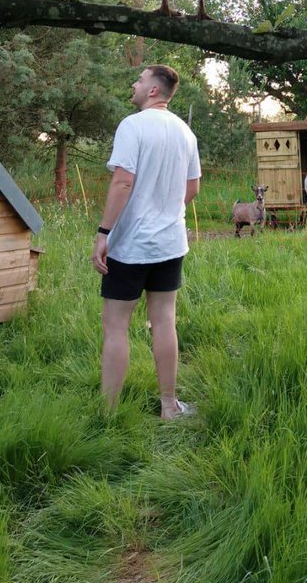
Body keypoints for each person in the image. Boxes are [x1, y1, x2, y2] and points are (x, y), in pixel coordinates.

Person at [92, 64, 200, 418]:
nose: (134, 84)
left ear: (153, 90)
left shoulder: (133, 125)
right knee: (165, 320)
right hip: (170, 243)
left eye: (139, 80)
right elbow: (193, 188)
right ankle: (170, 406)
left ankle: (109, 412)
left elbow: (123, 182)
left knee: (116, 326)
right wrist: (164, 212)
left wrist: (104, 233)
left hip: (131, 246)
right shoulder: (185, 132)